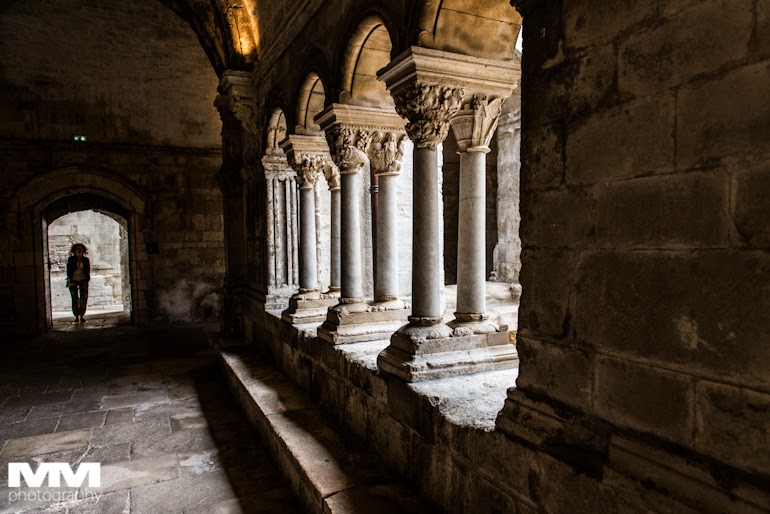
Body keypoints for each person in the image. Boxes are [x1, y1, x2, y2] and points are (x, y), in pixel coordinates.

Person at [66, 243, 90, 323]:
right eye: (77, 249)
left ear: (83, 250)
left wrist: (87, 280)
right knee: (74, 298)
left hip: (83, 280)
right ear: (74, 251)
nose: (79, 251)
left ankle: (82, 315)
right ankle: (76, 316)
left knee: (84, 298)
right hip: (74, 280)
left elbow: (87, 271)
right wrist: (69, 279)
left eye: (80, 249)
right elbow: (68, 270)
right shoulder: (71, 259)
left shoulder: (86, 260)